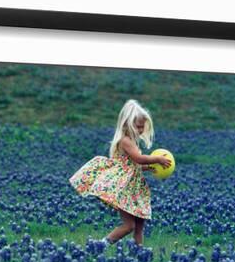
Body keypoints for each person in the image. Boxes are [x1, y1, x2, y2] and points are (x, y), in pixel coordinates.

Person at [69, 99, 171, 246]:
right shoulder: (125, 141)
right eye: (138, 126)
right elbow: (138, 158)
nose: (141, 130)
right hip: (125, 189)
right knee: (129, 225)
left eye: (143, 127)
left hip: (135, 189)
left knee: (139, 226)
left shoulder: (133, 141)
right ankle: (101, 245)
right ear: (126, 124)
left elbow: (133, 165)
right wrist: (156, 159)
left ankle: (139, 252)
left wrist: (148, 168)